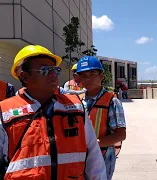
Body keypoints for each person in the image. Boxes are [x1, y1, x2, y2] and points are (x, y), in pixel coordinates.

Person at [0, 45, 107, 179]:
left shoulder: (76, 107)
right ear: (25, 76)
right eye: (45, 70)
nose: (53, 75)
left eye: (55, 70)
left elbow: (94, 158)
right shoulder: (5, 112)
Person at [76, 56, 126, 180]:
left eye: (92, 74)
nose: (88, 79)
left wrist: (94, 145)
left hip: (102, 156)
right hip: (81, 156)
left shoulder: (112, 101)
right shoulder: (77, 100)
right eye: (83, 75)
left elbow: (120, 135)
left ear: (101, 76)